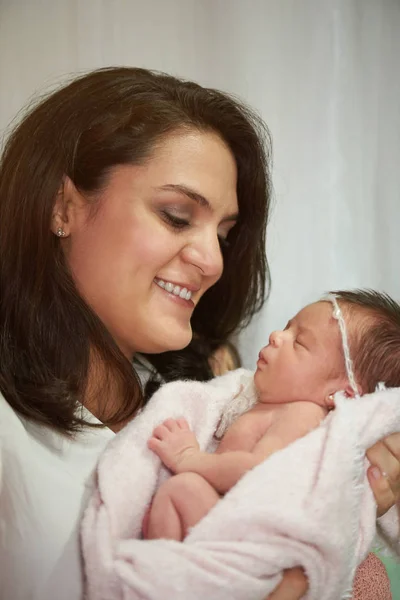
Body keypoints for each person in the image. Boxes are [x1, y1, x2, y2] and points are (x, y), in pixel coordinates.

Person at [0, 67, 398, 600]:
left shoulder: (220, 399)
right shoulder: (12, 435)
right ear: (62, 205)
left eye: (225, 235)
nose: (212, 262)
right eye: (177, 216)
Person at [145, 289, 400, 543]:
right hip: (224, 519)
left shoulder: (303, 414)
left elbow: (256, 471)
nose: (276, 336)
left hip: (246, 533)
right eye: (286, 327)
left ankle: (157, 572)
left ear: (342, 393)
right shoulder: (263, 400)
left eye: (299, 342)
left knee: (182, 489)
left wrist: (189, 458)